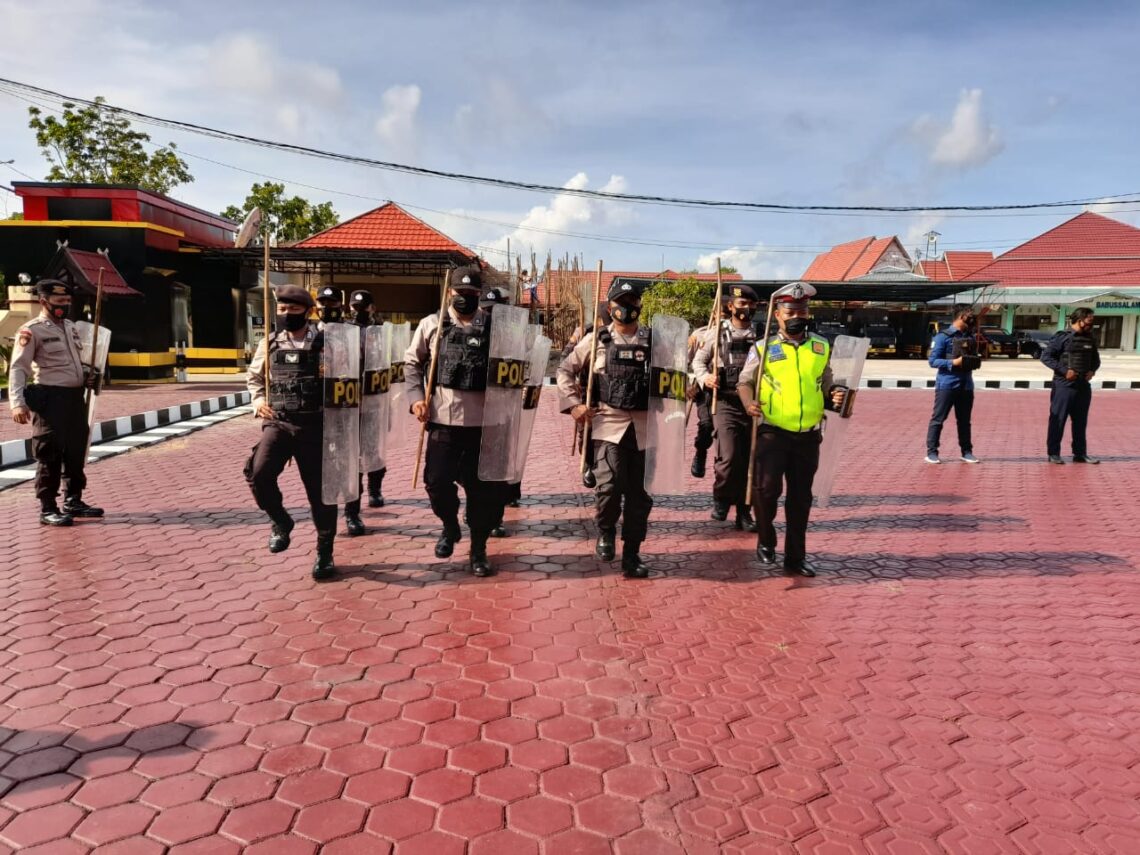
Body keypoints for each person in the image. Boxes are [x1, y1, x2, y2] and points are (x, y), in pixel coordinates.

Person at [405, 266, 513, 577]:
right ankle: (450, 526)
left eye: (471, 294)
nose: (465, 298)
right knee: (436, 483)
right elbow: (412, 364)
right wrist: (416, 399)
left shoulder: (494, 327)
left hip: (485, 425)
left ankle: (478, 548)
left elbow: (515, 367)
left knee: (484, 493)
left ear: (479, 295)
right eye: (460, 293)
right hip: (443, 419)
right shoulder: (432, 325)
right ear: (449, 292)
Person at [737, 284, 846, 577]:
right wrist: (749, 404)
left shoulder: (821, 346)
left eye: (802, 310)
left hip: (808, 436)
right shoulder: (763, 347)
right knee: (766, 491)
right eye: (791, 311)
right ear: (778, 315)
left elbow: (826, 383)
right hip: (772, 432)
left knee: (800, 500)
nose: (798, 315)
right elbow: (744, 383)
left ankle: (796, 557)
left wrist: (835, 393)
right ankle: (766, 539)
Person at [557, 279, 653, 579]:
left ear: (639, 306)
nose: (626, 309)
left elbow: (674, 377)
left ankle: (633, 555)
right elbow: (565, 369)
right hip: (608, 424)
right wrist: (574, 405)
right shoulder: (596, 340)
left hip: (645, 429)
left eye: (632, 303)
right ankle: (606, 531)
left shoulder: (654, 340)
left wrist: (686, 390)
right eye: (620, 303)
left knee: (639, 497)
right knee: (609, 487)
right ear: (610, 307)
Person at [245, 284, 337, 580]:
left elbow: (348, 380)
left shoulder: (327, 341)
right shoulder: (269, 343)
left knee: (321, 495)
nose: (286, 315)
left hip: (316, 426)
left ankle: (325, 551)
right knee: (259, 474)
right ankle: (281, 522)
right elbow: (255, 378)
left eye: (293, 310)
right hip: (279, 421)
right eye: (282, 310)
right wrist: (258, 400)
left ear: (308, 312)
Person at [7, 278, 104, 526]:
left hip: (74, 398)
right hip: (50, 399)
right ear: (44, 301)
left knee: (75, 450)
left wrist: (87, 376)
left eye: (67, 301)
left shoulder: (71, 327)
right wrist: (17, 403)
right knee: (49, 452)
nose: (64, 305)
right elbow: (19, 368)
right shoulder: (32, 330)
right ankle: (48, 507)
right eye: (59, 301)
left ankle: (73, 500)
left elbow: (76, 361)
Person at [693, 284, 759, 531]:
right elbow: (698, 362)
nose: (746, 309)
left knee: (750, 460)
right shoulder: (716, 333)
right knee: (730, 456)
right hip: (724, 402)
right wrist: (705, 378)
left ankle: (745, 511)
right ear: (731, 306)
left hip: (752, 405)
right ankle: (721, 498)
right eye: (742, 304)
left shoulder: (761, 337)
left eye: (751, 305)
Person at [342, 289, 386, 534]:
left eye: (362, 307)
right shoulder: (341, 331)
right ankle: (352, 512)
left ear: (372, 308)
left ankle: (375, 488)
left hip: (372, 402)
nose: (357, 311)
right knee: (352, 460)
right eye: (354, 307)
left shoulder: (380, 332)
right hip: (347, 404)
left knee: (373, 450)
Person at [1042, 308, 1101, 464]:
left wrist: (1092, 370)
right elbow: (1046, 357)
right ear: (1079, 320)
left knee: (1081, 422)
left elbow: (1096, 360)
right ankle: (1053, 453)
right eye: (1089, 321)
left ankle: (1080, 453)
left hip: (1083, 386)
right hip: (1064, 386)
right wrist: (1064, 370)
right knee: (1058, 420)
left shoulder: (1089, 338)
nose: (1091, 324)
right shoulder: (1062, 337)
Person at [925, 306, 981, 465]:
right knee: (938, 419)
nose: (971, 320)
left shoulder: (970, 337)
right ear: (960, 317)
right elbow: (932, 361)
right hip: (947, 384)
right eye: (968, 317)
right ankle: (932, 452)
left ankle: (967, 451)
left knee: (964, 421)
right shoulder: (942, 337)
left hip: (966, 385)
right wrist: (953, 362)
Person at [560, 324, 597, 488]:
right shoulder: (587, 332)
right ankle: (589, 464)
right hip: (586, 391)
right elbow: (565, 358)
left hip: (609, 393)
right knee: (586, 432)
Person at [687, 323, 715, 478]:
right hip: (704, 390)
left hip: (731, 389)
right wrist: (686, 385)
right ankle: (701, 451)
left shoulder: (745, 332)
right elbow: (683, 359)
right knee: (706, 424)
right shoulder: (700, 335)